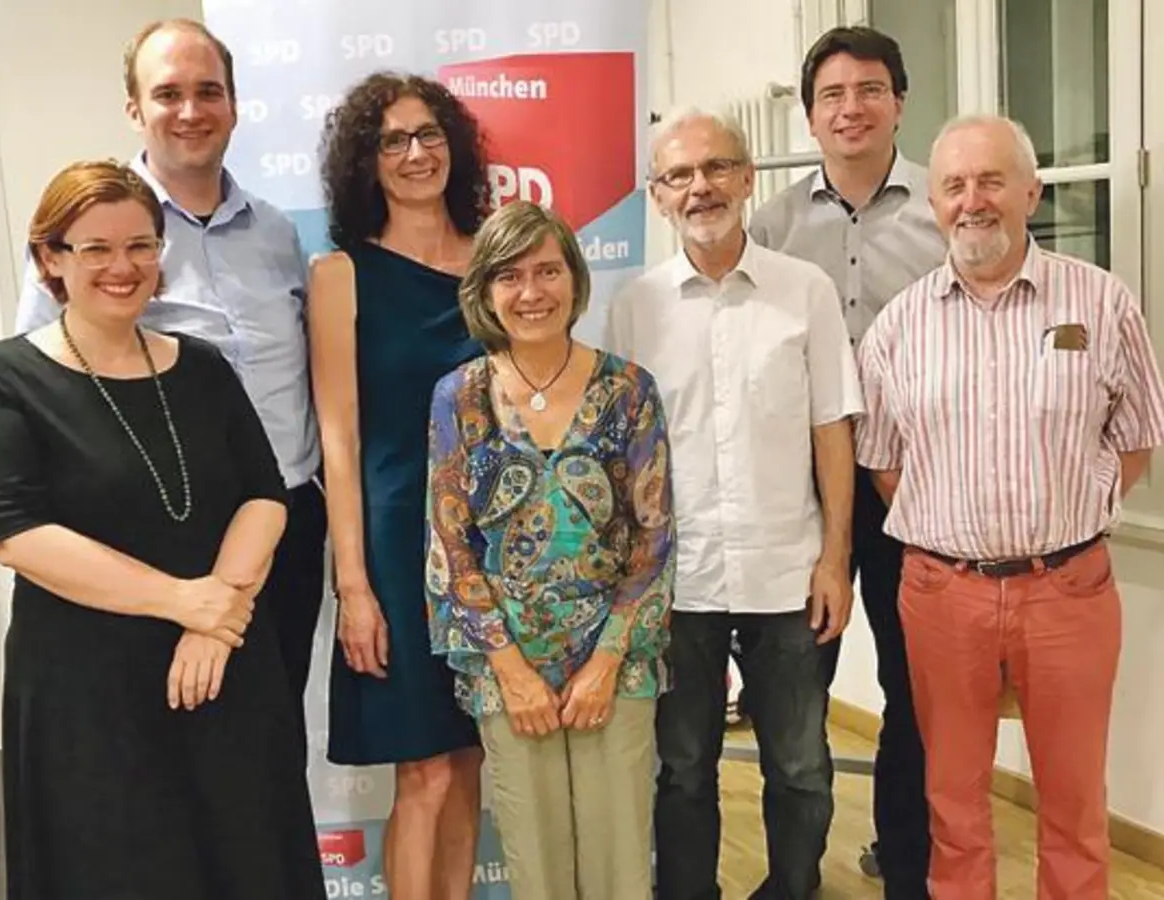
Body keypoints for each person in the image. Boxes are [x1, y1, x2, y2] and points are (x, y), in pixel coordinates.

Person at [0, 160, 321, 900]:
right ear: (50, 259)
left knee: (247, 856)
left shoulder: (207, 369)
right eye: (95, 248)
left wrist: (215, 616)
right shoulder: (3, 378)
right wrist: (183, 603)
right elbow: (15, 533)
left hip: (223, 667)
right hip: (86, 690)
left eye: (141, 246)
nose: (123, 267)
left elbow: (264, 494)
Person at [10, 23, 327, 838]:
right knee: (159, 771)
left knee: (263, 751)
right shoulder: (101, 232)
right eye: (168, 93)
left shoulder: (278, 234)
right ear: (133, 108)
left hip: (280, 524)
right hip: (161, 544)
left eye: (208, 90)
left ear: (234, 103)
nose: (190, 110)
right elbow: (46, 380)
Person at [855, 114, 1164, 900]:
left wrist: (1059, 518)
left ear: (1031, 191)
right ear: (933, 203)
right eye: (953, 186)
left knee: (1074, 806)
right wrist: (963, 533)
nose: (972, 201)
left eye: (991, 181)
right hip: (941, 596)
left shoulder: (1101, 302)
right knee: (953, 804)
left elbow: (1135, 440)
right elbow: (888, 464)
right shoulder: (897, 328)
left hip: (1068, 591)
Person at [607, 107, 862, 900]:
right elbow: (622, 454)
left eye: (716, 168)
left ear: (748, 179)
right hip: (677, 583)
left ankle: (792, 889)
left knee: (802, 767)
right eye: (679, 176)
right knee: (681, 769)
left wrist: (835, 559)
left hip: (789, 573)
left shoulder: (805, 292)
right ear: (657, 196)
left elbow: (832, 430)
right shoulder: (634, 307)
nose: (700, 187)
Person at [425, 200, 674, 899]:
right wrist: (511, 670)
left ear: (574, 280)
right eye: (510, 276)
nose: (531, 293)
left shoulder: (628, 390)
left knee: (619, 864)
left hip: (614, 665)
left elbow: (653, 537)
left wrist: (604, 662)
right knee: (536, 867)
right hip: (508, 671)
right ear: (486, 292)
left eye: (547, 271)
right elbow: (450, 547)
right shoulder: (459, 398)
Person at [749, 26, 944, 897]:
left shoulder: (950, 209)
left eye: (869, 89)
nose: (851, 108)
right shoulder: (772, 227)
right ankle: (795, 872)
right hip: (805, 492)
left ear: (899, 101)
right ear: (811, 115)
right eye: (832, 95)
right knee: (796, 696)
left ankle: (907, 860)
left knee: (916, 690)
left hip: (920, 490)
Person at [310, 71, 490, 899]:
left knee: (469, 757)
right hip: (395, 539)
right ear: (365, 162)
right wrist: (354, 583)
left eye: (429, 135)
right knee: (422, 769)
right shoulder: (341, 275)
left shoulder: (501, 260)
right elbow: (338, 440)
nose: (416, 154)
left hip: (496, 539)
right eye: (392, 140)